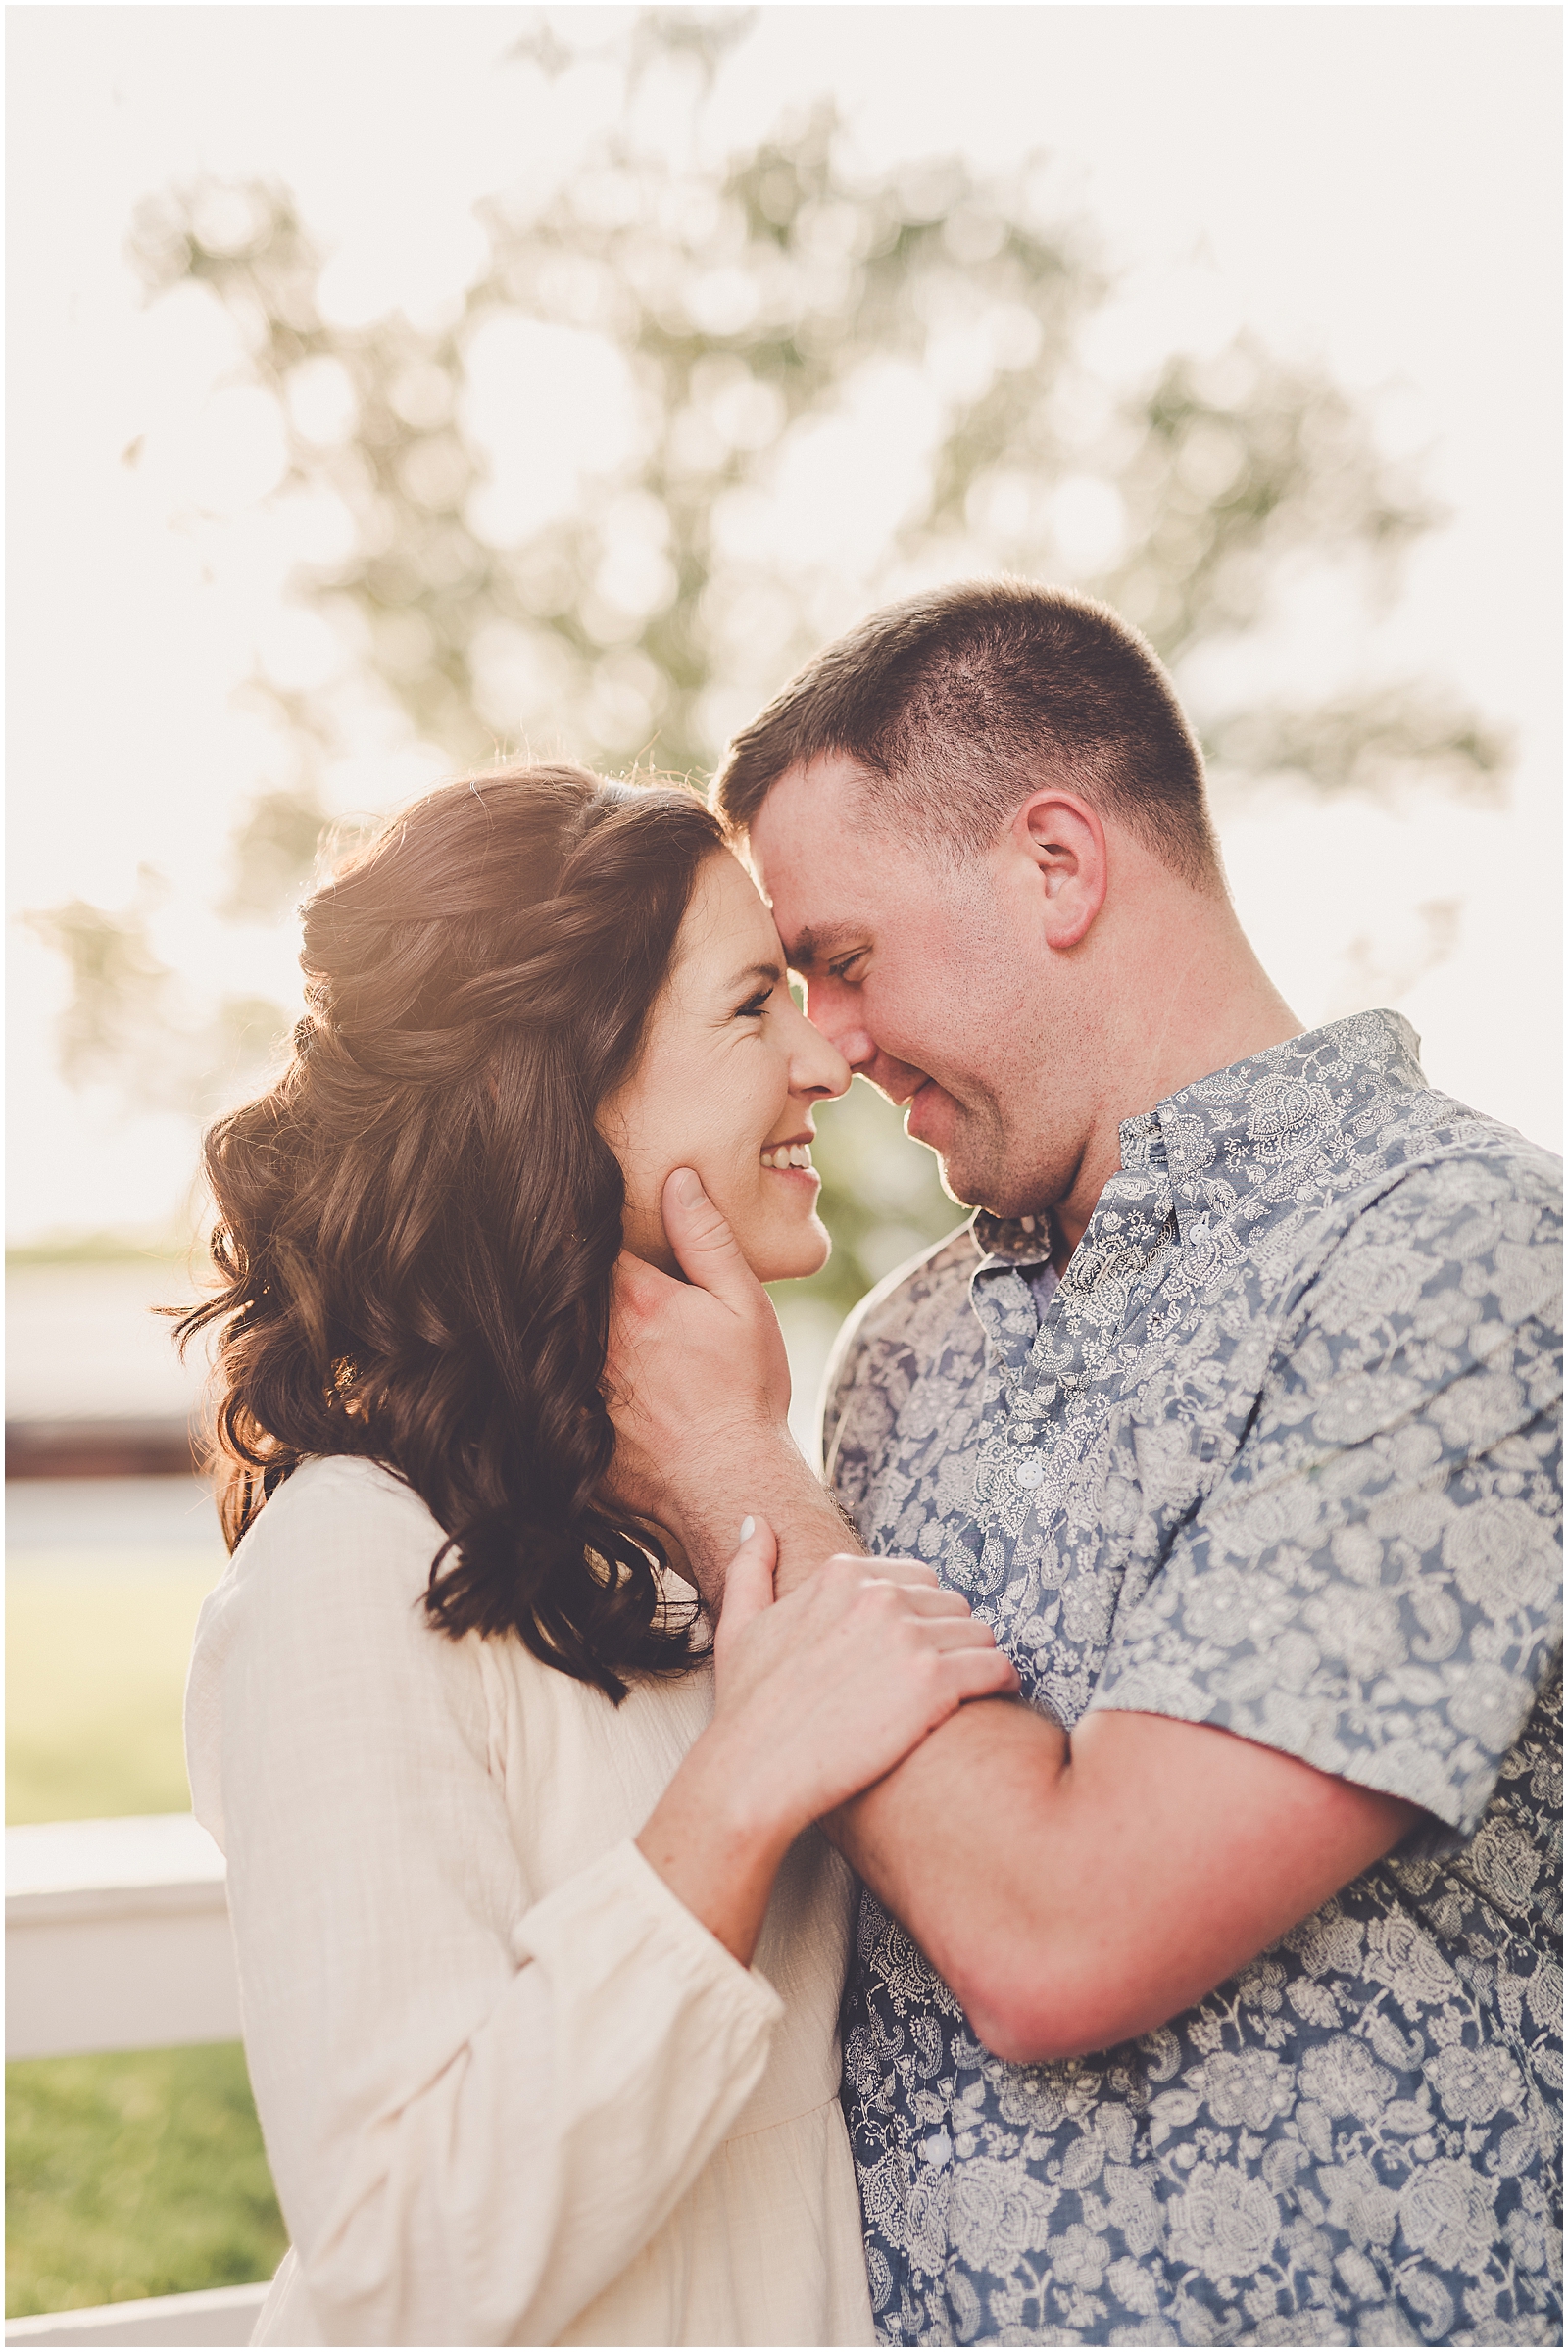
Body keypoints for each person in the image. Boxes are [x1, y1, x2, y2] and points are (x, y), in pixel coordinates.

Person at [606, 581, 1564, 2347]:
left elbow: (1066, 1939)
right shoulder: (903, 1350)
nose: (823, 1043)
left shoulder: (1457, 1257)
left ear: (1055, 864)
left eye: (848, 960)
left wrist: (737, 1471)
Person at [178, 764, 1017, 2347]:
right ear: (562, 1087)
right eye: (752, 1004)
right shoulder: (346, 1574)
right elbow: (391, 2282)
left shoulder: (683, 1525)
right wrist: (740, 1796)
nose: (832, 1053)